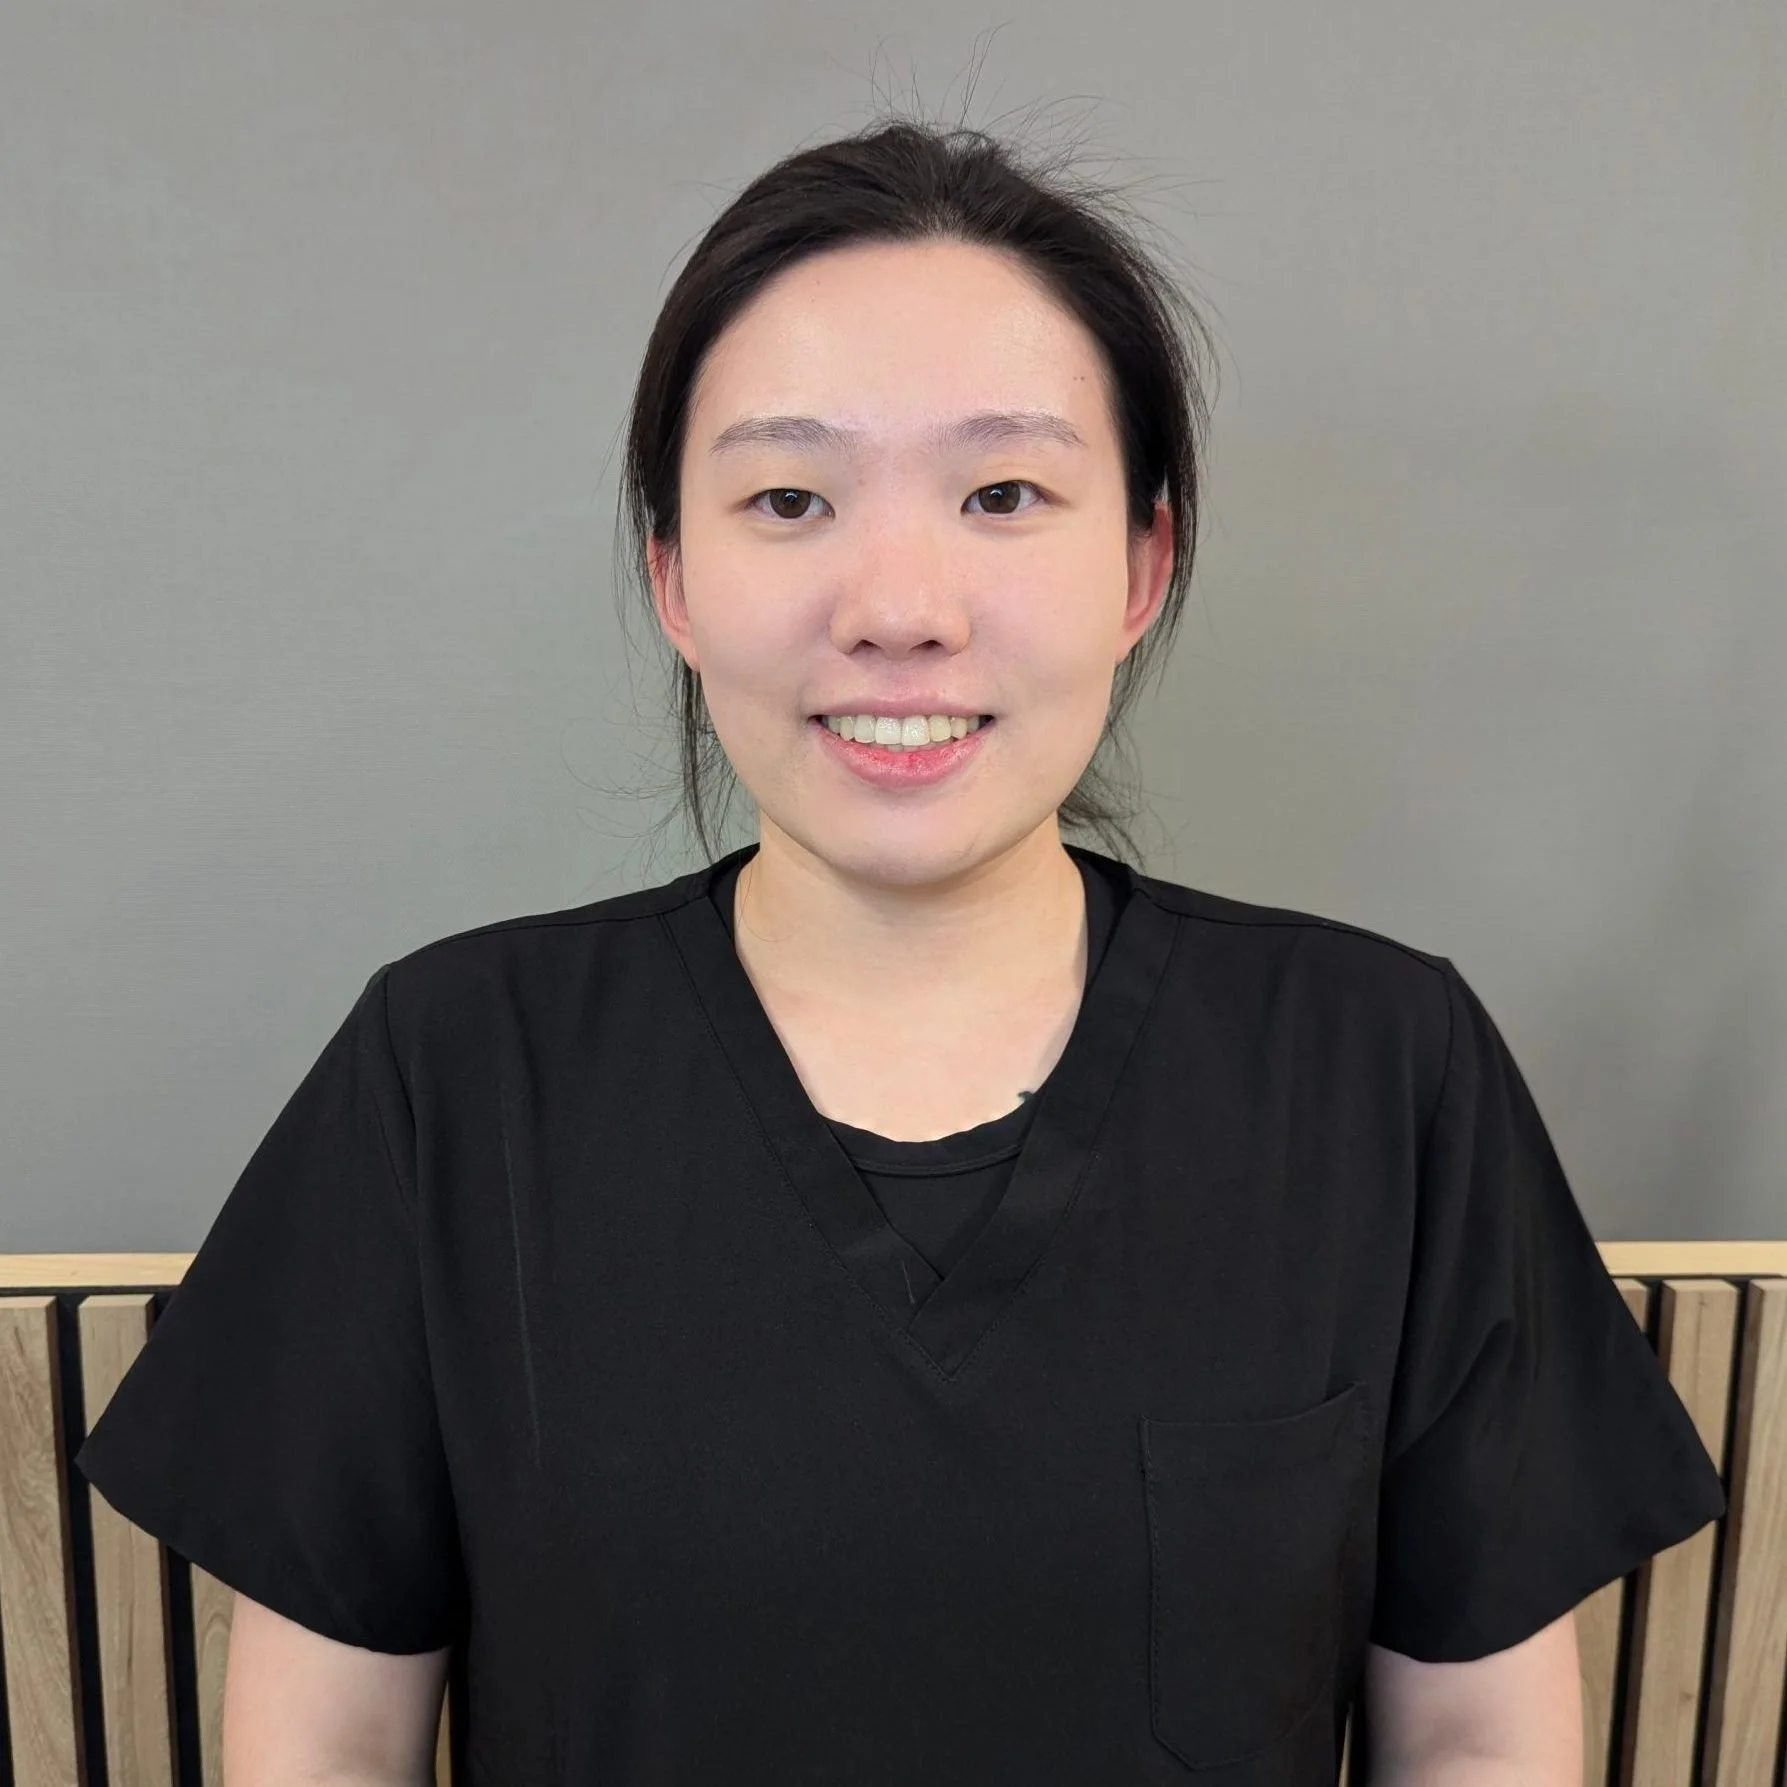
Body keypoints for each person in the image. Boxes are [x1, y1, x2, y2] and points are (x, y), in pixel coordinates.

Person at [76, 114, 1725, 1787]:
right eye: (787, 498)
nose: (899, 602)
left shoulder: (1380, 1068)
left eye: (1003, 492)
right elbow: (328, 1751)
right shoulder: (451, 1076)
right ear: (673, 575)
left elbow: (1470, 1742)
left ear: (1142, 562)